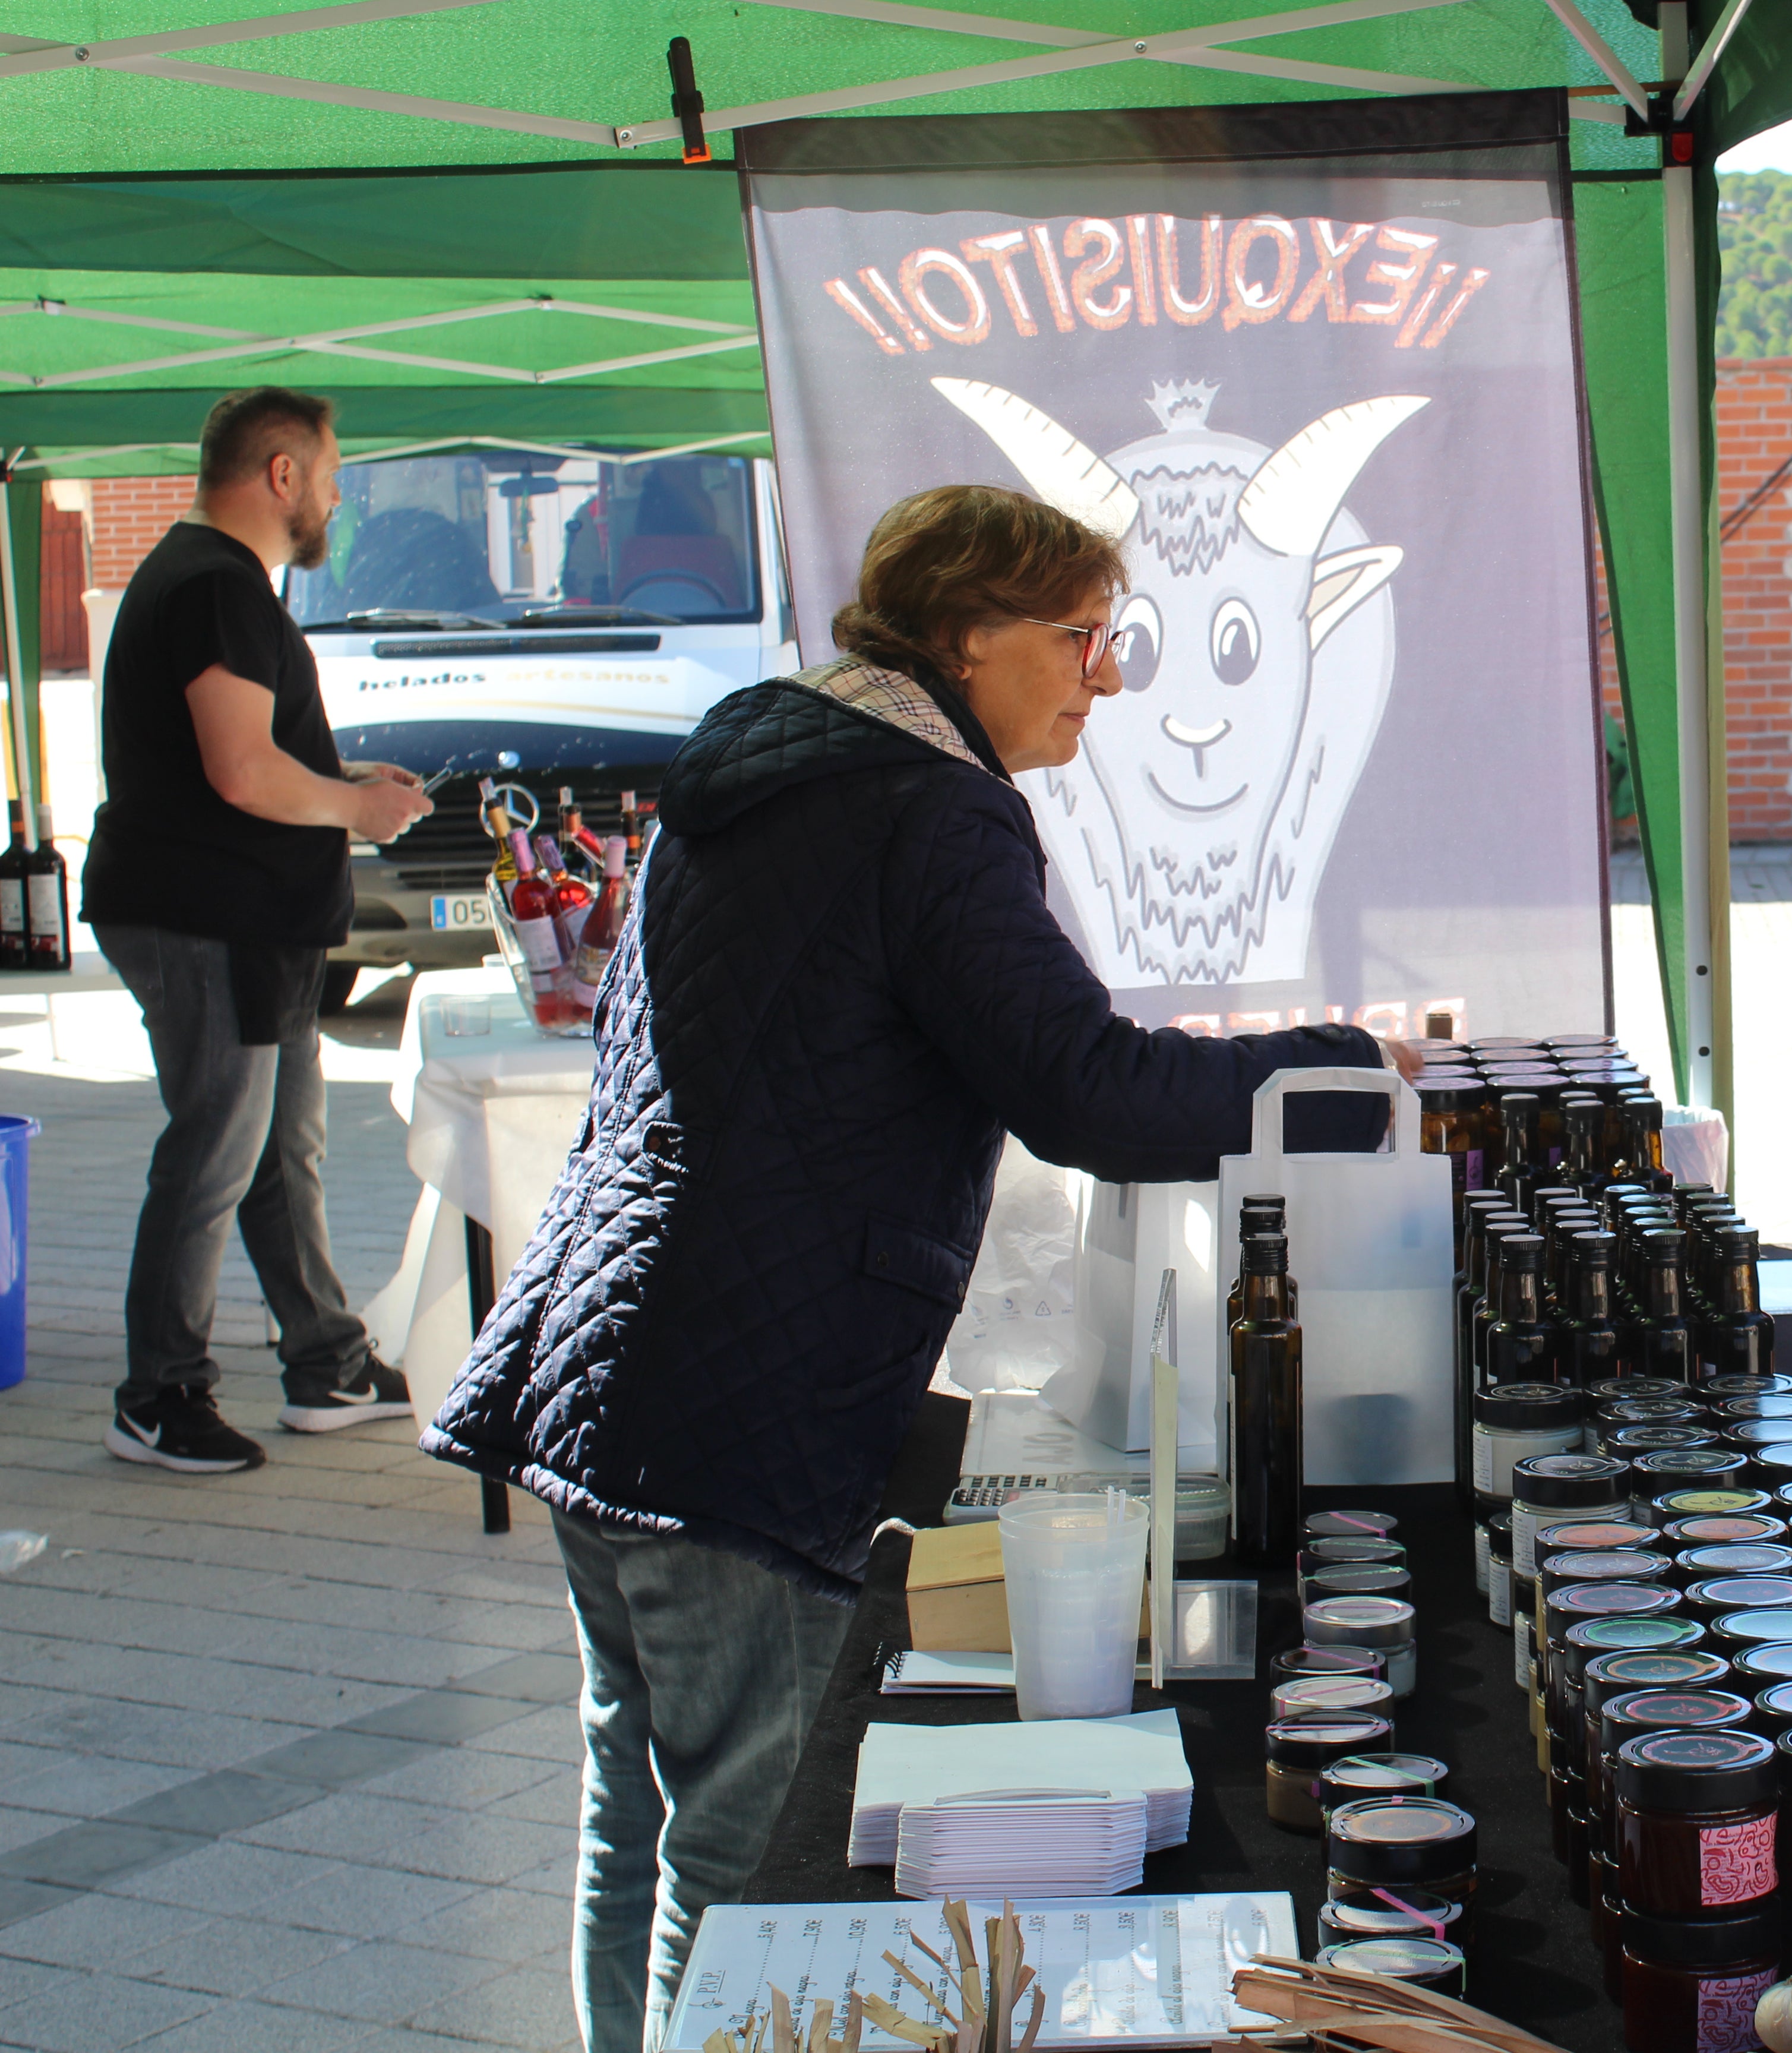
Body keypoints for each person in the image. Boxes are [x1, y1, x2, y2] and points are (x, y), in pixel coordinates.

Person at [423, 484, 1405, 2053]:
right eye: (1083, 638)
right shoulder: (924, 805)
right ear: (966, 638)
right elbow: (1087, 1090)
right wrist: (1353, 1067)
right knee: (746, 1861)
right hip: (732, 1417)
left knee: (639, 1816)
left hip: (598, 1365)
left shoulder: (767, 752)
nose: (1106, 675)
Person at [81, 386, 437, 1475]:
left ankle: (325, 1360)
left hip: (246, 922)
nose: (337, 495)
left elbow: (238, 759)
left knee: (282, 1152)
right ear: (281, 473)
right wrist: (356, 808)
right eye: (330, 472)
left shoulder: (213, 585)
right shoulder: (214, 587)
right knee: (215, 1157)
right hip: (208, 921)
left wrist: (338, 779)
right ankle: (159, 1395)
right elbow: (238, 772)